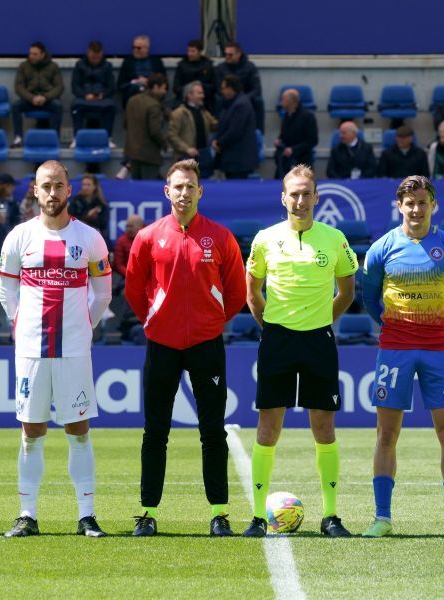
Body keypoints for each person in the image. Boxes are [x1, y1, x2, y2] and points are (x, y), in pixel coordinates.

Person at [124, 159, 245, 536]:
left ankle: (220, 513)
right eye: (177, 186)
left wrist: (209, 321)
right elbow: (133, 288)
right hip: (161, 344)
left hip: (207, 344)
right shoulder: (147, 237)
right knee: (155, 430)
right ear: (167, 191)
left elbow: (237, 293)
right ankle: (147, 513)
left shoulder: (221, 237)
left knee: (213, 430)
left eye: (190, 186)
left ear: (200, 192)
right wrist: (157, 319)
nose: (183, 192)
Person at [241, 164, 358, 538]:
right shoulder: (264, 239)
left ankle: (331, 516)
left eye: (307, 193)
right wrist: (270, 325)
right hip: (277, 340)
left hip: (318, 341)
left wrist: (324, 319)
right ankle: (259, 517)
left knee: (324, 428)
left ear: (317, 197)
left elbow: (347, 292)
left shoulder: (335, 239)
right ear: (283, 197)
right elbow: (252, 293)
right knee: (268, 427)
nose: (300, 200)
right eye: (294, 193)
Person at [0, 161, 112, 538]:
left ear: (69, 190)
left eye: (58, 186)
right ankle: (27, 514)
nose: (52, 193)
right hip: (31, 350)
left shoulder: (90, 238)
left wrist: (84, 327)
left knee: (78, 430)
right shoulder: (18, 237)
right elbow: (6, 291)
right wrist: (22, 324)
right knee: (31, 432)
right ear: (34, 190)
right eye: (45, 186)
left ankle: (87, 515)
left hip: (74, 350)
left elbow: (103, 293)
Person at [360, 175, 444, 538]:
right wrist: (393, 325)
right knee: (387, 434)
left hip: (439, 349)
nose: (416, 209)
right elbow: (369, 297)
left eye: (422, 202)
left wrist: (441, 324)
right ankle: (382, 518)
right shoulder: (381, 248)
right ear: (399, 206)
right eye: (410, 203)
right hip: (394, 349)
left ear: (433, 205)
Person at [12, 42, 63, 147]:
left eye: (35, 54)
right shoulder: (23, 66)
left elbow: (59, 87)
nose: (31, 56)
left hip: (47, 100)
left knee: (58, 106)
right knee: (16, 106)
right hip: (30, 99)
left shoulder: (53, 66)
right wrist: (32, 98)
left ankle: (55, 138)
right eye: (30, 54)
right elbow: (19, 87)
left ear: (43, 54)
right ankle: (18, 138)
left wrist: (46, 97)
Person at [70, 41, 117, 146]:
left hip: (102, 99)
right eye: (93, 57)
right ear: (88, 53)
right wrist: (85, 95)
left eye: (97, 57)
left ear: (101, 54)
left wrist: (102, 95)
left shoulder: (107, 66)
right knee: (75, 106)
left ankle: (108, 138)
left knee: (111, 107)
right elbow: (75, 86)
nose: (95, 60)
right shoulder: (79, 65)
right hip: (84, 98)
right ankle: (76, 138)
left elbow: (111, 87)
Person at [167, 81, 218, 178]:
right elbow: (172, 135)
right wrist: (186, 148)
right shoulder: (179, 113)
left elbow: (215, 125)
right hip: (185, 159)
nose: (202, 96)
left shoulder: (204, 112)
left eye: (202, 93)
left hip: (203, 157)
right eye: (199, 93)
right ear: (189, 95)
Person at [212, 75, 258, 179]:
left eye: (223, 88)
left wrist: (219, 142)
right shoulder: (234, 103)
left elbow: (234, 131)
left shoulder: (240, 104)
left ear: (230, 88)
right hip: (234, 158)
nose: (221, 91)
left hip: (239, 159)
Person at [124, 72, 167, 180]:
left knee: (136, 191)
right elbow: (154, 131)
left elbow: (125, 124)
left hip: (133, 152)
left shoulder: (132, 100)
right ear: (156, 87)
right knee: (149, 190)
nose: (165, 92)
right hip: (149, 154)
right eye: (163, 88)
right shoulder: (154, 105)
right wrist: (164, 144)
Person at [215, 42, 264, 131]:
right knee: (217, 99)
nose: (227, 57)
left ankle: (258, 132)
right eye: (225, 54)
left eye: (230, 55)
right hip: (227, 98)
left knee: (258, 100)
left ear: (239, 54)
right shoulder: (220, 68)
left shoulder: (250, 67)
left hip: (246, 98)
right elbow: (219, 88)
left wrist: (243, 99)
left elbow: (257, 89)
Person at [273, 88, 318, 178]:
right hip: (285, 162)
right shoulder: (286, 115)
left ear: (291, 101)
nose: (281, 102)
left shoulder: (308, 117)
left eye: (283, 99)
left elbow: (312, 140)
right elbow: (284, 134)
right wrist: (279, 140)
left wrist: (293, 149)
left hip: (302, 161)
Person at [117, 35, 166, 108]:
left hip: (152, 91)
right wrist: (135, 81)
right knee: (138, 88)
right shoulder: (127, 62)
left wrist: (148, 81)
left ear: (146, 49)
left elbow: (165, 82)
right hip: (133, 93)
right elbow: (120, 85)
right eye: (133, 47)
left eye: (139, 48)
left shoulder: (156, 62)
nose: (135, 50)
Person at [172, 39, 215, 112]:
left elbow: (213, 86)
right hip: (184, 100)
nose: (190, 54)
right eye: (188, 51)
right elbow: (176, 87)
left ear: (200, 52)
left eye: (193, 51)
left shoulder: (208, 65)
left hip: (204, 100)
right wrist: (189, 93)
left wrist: (199, 91)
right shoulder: (182, 65)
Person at [67, 173, 109, 244]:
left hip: (96, 238)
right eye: (84, 185)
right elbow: (70, 219)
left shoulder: (101, 203)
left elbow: (103, 223)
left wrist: (90, 219)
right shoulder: (76, 201)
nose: (85, 187)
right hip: (77, 237)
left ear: (94, 186)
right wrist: (87, 216)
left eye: (88, 185)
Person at [113, 214, 144, 279]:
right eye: (127, 226)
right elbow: (118, 264)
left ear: (140, 227)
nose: (128, 229)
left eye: (131, 226)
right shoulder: (121, 241)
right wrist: (131, 274)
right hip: (126, 277)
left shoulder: (148, 238)